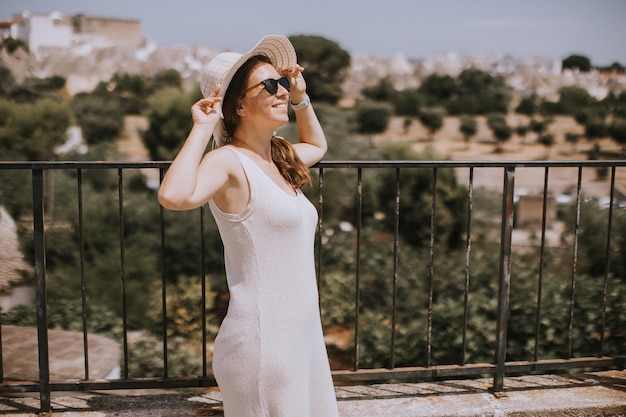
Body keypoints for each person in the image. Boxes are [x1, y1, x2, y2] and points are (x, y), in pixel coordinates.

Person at [158, 35, 340, 417]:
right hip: (264, 346)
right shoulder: (227, 163)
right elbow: (173, 196)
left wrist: (300, 97)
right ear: (238, 104)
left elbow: (317, 145)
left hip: (301, 340)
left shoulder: (279, 159)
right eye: (270, 85)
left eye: (283, 83)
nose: (281, 91)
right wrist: (203, 126)